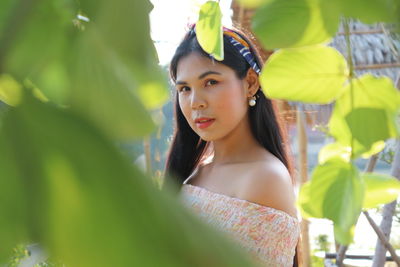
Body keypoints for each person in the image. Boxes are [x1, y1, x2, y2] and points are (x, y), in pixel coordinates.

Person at [165, 24, 301, 266]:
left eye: (210, 83)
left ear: (250, 83)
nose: (195, 102)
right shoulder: (197, 171)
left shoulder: (264, 178)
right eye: (185, 89)